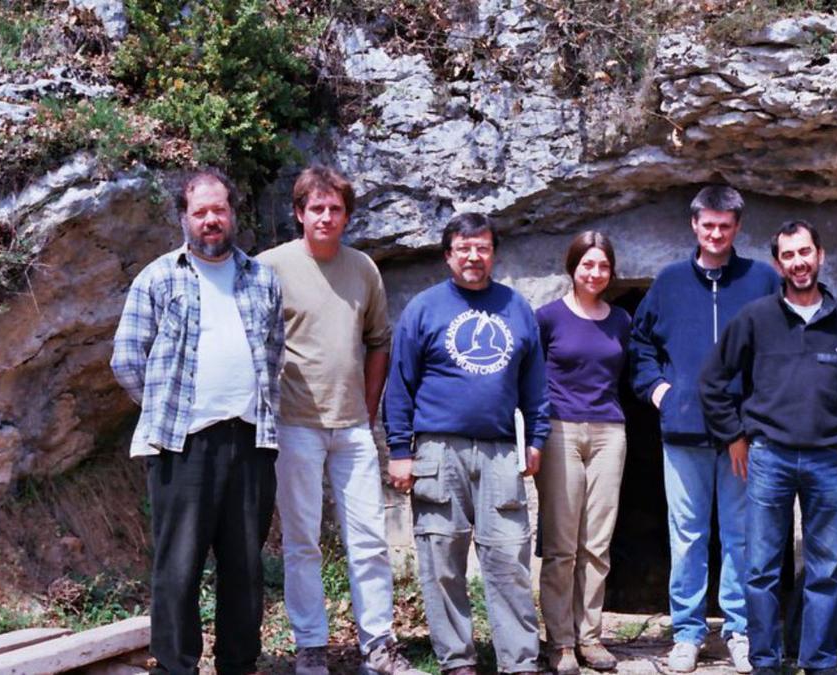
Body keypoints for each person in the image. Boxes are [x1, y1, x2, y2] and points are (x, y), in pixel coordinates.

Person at [111, 170, 283, 675]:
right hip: (181, 445)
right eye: (200, 211)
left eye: (220, 209)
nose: (211, 219)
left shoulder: (263, 278)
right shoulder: (159, 277)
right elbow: (126, 359)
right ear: (183, 218)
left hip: (251, 441)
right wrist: (168, 408)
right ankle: (174, 665)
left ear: (233, 214)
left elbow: (273, 356)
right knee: (179, 566)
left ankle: (238, 664)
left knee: (245, 566)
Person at [698, 220, 837, 675]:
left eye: (805, 252)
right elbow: (713, 383)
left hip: (827, 462)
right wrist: (735, 437)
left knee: (822, 571)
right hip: (770, 459)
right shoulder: (756, 318)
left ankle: (818, 661)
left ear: (819, 255)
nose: (798, 263)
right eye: (788, 255)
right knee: (761, 570)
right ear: (778, 263)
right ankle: (765, 662)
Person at [258, 166, 415, 675]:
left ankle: (378, 647)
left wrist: (368, 411)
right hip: (294, 423)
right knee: (302, 542)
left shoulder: (363, 268)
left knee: (369, 541)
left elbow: (378, 343)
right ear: (299, 213)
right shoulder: (269, 267)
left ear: (347, 215)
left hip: (352, 428)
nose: (326, 217)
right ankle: (311, 648)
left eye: (336, 209)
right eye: (316, 208)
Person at [383, 213, 548, 675]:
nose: (474, 257)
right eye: (464, 248)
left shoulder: (517, 308)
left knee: (509, 558)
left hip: (500, 451)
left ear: (494, 253)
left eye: (482, 248)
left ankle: (520, 661)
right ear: (448, 255)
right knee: (442, 560)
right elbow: (400, 385)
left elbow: (535, 383)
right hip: (437, 451)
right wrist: (400, 450)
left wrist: (536, 438)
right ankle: (458, 661)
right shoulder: (424, 308)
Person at [628, 186, 779, 673]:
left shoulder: (760, 279)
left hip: (742, 436)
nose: (716, 234)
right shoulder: (670, 281)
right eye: (708, 225)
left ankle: (738, 631)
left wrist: (762, 409)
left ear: (738, 227)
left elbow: (782, 344)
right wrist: (658, 391)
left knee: (740, 536)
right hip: (684, 434)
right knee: (688, 536)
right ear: (694, 225)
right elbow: (640, 343)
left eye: (725, 226)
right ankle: (688, 634)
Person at [535, 231, 632, 675]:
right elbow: (529, 379)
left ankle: (590, 637)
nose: (595, 273)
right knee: (561, 545)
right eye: (587, 264)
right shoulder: (548, 318)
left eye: (603, 266)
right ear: (572, 267)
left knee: (597, 542)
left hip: (610, 431)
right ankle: (560, 642)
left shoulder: (621, 321)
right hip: (559, 429)